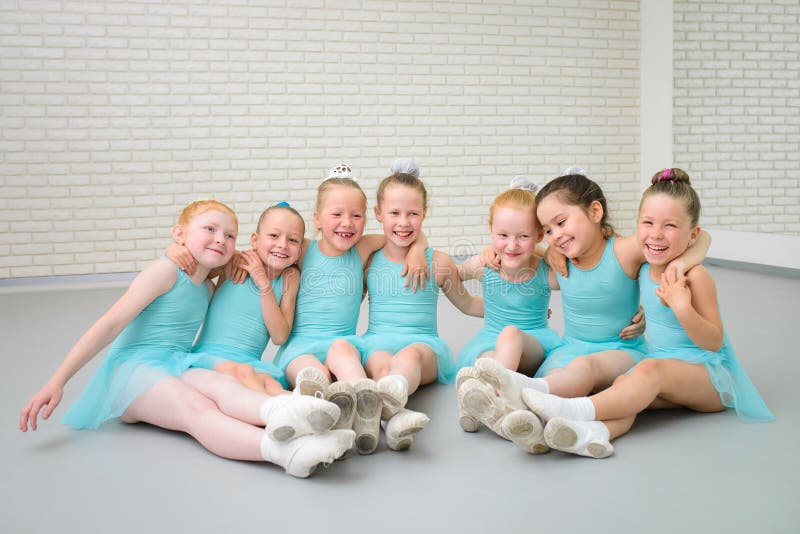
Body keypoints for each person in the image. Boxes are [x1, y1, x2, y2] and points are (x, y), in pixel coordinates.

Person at [19, 200, 354, 478]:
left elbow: (253, 262)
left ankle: (298, 414)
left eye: (228, 235)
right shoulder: (165, 272)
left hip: (177, 365)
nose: (220, 240)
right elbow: (110, 324)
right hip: (133, 370)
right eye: (210, 230)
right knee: (198, 408)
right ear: (180, 234)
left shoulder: (209, 283)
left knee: (224, 389)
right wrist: (58, 380)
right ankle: (289, 452)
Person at [504, 168, 774, 458]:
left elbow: (713, 342)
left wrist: (682, 306)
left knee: (647, 371)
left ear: (691, 233)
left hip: (709, 378)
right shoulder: (646, 266)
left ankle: (572, 409)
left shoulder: (695, 277)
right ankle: (594, 434)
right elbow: (617, 279)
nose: (656, 234)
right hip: (661, 365)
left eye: (669, 226)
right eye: (647, 223)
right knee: (625, 390)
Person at [460, 168, 709, 451]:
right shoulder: (560, 257)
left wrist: (681, 264)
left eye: (562, 222)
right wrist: (489, 251)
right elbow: (522, 248)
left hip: (620, 348)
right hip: (571, 347)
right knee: (554, 379)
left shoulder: (624, 251)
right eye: (549, 230)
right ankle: (525, 421)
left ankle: (514, 397)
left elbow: (700, 237)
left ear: (595, 212)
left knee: (582, 370)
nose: (556, 236)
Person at [272, 164, 428, 454]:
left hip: (342, 344)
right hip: (301, 347)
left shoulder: (362, 248)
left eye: (356, 216)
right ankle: (319, 426)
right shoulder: (304, 250)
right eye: (337, 214)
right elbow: (270, 248)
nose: (347, 223)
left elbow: (403, 234)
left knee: (346, 357)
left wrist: (418, 249)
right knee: (314, 375)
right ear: (317, 219)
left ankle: (383, 415)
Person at [355, 158, 483, 452]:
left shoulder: (437, 262)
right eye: (395, 213)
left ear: (424, 214)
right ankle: (394, 418)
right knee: (376, 360)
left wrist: (516, 309)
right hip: (377, 339)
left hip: (424, 346)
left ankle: (388, 401)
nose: (403, 222)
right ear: (378, 213)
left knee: (409, 355)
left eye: (412, 214)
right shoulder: (370, 260)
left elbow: (467, 303)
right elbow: (348, 303)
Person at [454, 177, 561, 434]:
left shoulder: (545, 270)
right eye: (502, 235)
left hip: (532, 343)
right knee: (484, 362)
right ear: (491, 231)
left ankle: (493, 402)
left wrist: (547, 253)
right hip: (489, 341)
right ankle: (485, 399)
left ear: (538, 235)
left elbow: (584, 282)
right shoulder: (485, 265)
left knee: (511, 334)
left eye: (523, 236)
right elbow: (453, 275)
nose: (511, 246)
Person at [186, 202, 304, 397]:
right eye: (274, 235)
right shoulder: (233, 261)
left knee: (270, 383)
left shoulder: (289, 278)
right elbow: (192, 267)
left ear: (299, 251)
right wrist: (177, 249)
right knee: (245, 377)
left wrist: (262, 282)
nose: (282, 244)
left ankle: (308, 410)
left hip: (250, 363)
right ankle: (284, 410)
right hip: (209, 358)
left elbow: (279, 336)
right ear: (255, 240)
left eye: (292, 240)